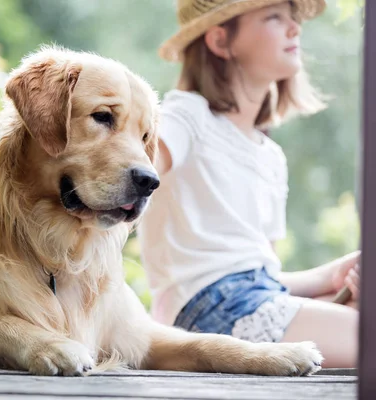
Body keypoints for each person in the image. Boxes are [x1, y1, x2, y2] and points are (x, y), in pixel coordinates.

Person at [137, 0, 360, 368]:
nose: (295, 29)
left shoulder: (270, 156)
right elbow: (134, 169)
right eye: (275, 17)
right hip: (206, 312)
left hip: (253, 299)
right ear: (221, 41)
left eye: (294, 19)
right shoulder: (188, 116)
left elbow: (261, 275)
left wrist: (331, 275)